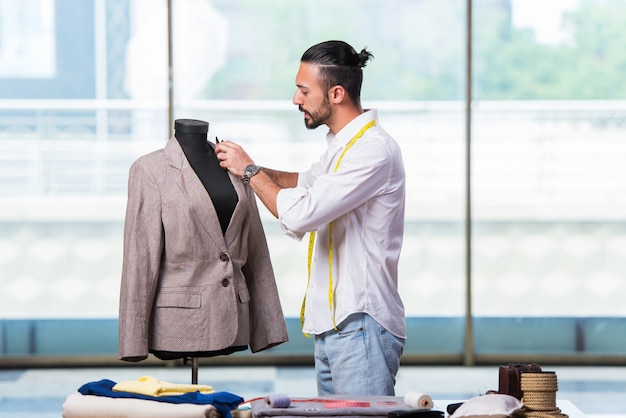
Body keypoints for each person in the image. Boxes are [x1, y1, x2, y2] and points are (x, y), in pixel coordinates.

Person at [215, 40, 406, 396]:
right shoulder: (342, 146)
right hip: (335, 327)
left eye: (304, 90)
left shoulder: (372, 151)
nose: (295, 99)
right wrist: (236, 165)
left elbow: (301, 214)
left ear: (336, 93)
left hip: (360, 324)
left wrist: (249, 169)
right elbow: (302, 182)